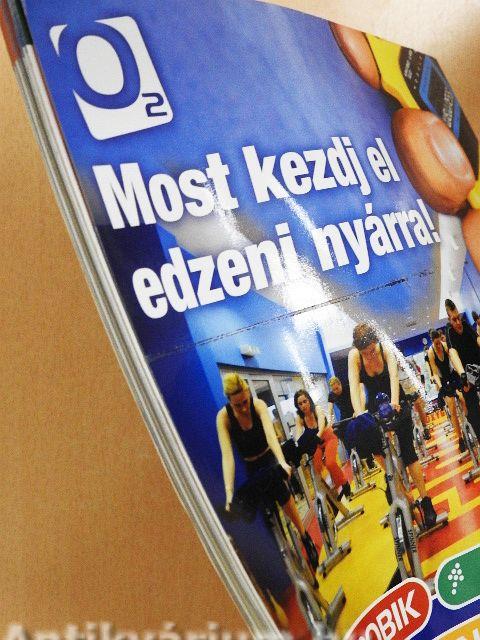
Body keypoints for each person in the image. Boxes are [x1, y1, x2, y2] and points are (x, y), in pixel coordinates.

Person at [217, 373, 319, 568]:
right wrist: (229, 494)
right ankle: (285, 553)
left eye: (245, 401)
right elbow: (227, 456)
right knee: (262, 511)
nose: (243, 407)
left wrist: (281, 461)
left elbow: (271, 437)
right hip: (251, 466)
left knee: (281, 492)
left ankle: (304, 535)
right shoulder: (223, 417)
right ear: (229, 401)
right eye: (237, 405)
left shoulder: (258, 406)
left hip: (269, 458)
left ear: (248, 393)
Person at [347, 323, 438, 527]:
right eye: (365, 353)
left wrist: (395, 403)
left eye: (372, 350)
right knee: (380, 453)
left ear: (376, 342)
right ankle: (408, 498)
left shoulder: (385, 348)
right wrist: (360, 414)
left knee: (408, 452)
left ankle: (426, 501)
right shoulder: (354, 356)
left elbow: (394, 377)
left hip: (396, 400)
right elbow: (354, 387)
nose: (369, 355)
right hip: (375, 407)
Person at [294, 389, 351, 499]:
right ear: (297, 406)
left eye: (305, 401)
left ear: (309, 400)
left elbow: (320, 427)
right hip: (317, 443)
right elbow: (298, 434)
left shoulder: (317, 409)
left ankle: (345, 484)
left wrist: (316, 437)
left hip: (328, 437)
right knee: (317, 468)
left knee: (330, 463)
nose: (303, 405)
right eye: (300, 404)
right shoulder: (300, 418)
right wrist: (298, 445)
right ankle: (330, 493)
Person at [328, 376, 376, 470]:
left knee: (361, 435)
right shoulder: (331, 395)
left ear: (340, 384)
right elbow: (330, 409)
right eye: (333, 390)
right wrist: (330, 420)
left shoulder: (348, 388)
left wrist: (358, 410)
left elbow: (358, 396)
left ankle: (369, 460)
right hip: (344, 417)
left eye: (337, 388)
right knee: (343, 436)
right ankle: (355, 459)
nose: (336, 391)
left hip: (354, 412)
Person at [427, 329, 465, 450]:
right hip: (443, 380)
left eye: (439, 343)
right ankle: (460, 438)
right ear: (432, 342)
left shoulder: (444, 345)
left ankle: (468, 422)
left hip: (452, 375)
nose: (438, 345)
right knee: (452, 408)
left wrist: (460, 372)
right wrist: (441, 387)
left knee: (463, 398)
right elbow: (435, 372)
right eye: (436, 344)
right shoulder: (431, 353)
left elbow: (453, 360)